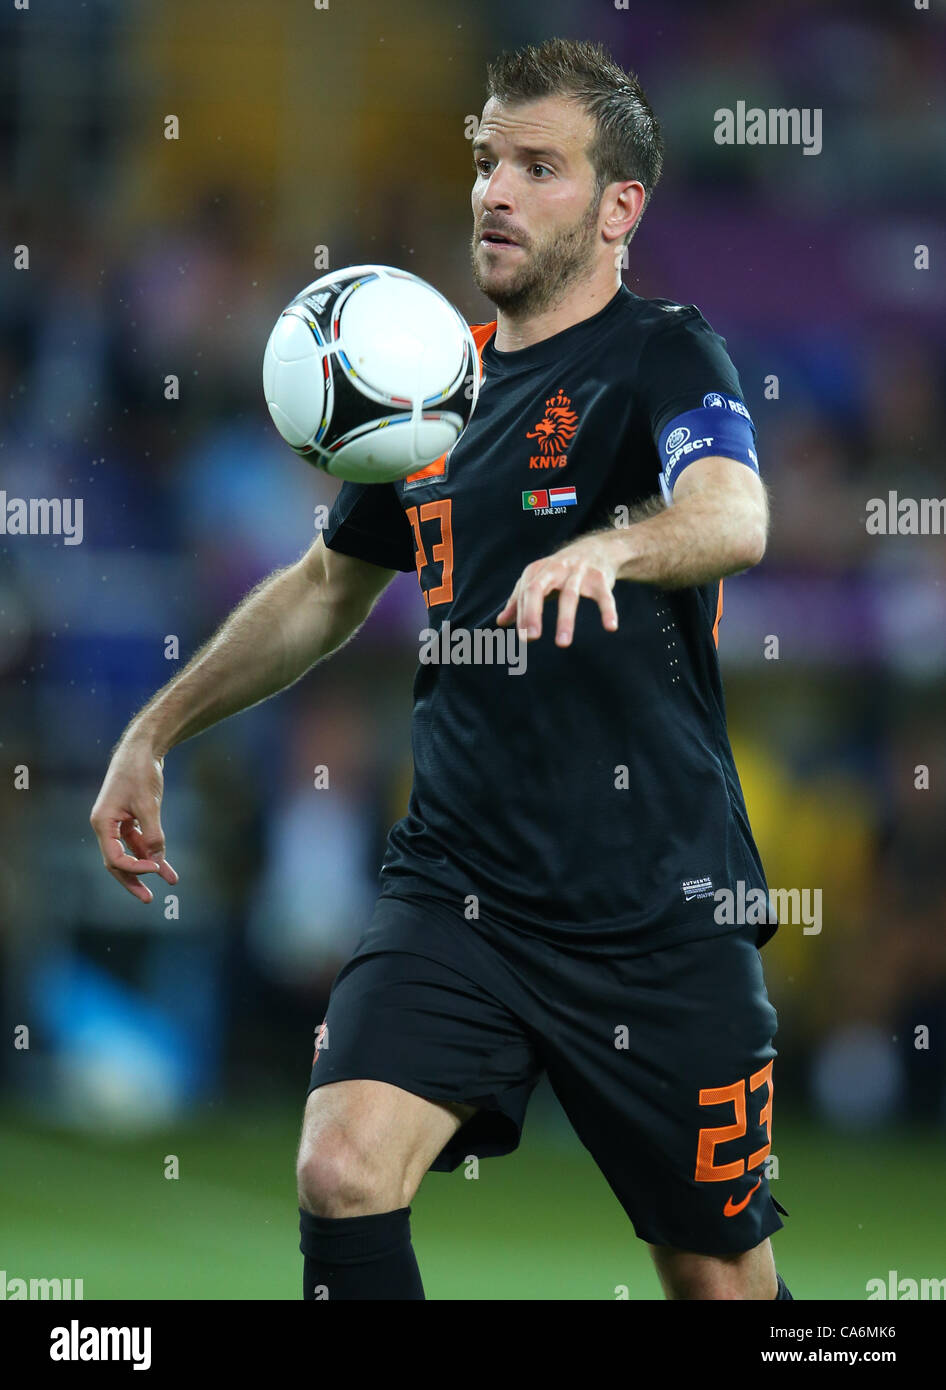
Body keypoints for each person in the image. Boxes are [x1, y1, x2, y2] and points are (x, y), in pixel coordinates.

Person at [90, 37, 791, 1300]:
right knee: (342, 1166)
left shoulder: (663, 354)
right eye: (483, 163)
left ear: (619, 207)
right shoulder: (427, 393)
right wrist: (155, 732)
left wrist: (613, 551)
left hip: (656, 905)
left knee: (719, 1283)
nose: (493, 193)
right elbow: (321, 591)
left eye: (538, 167)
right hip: (460, 885)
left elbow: (737, 515)